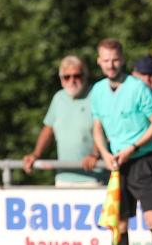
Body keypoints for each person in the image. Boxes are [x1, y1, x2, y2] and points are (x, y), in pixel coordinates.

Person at [90, 38, 152, 245]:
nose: (111, 64)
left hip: (142, 158)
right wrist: (104, 153)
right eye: (106, 60)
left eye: (115, 59)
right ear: (99, 62)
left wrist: (133, 147)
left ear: (122, 60)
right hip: (117, 163)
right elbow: (97, 128)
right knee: (120, 221)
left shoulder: (138, 88)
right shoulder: (97, 91)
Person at [23, 56, 105, 187]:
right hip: (64, 178)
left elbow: (102, 129)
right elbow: (48, 129)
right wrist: (36, 154)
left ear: (85, 76)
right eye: (67, 77)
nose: (72, 80)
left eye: (76, 76)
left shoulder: (96, 96)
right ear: (61, 79)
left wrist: (94, 154)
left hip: (93, 177)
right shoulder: (58, 98)